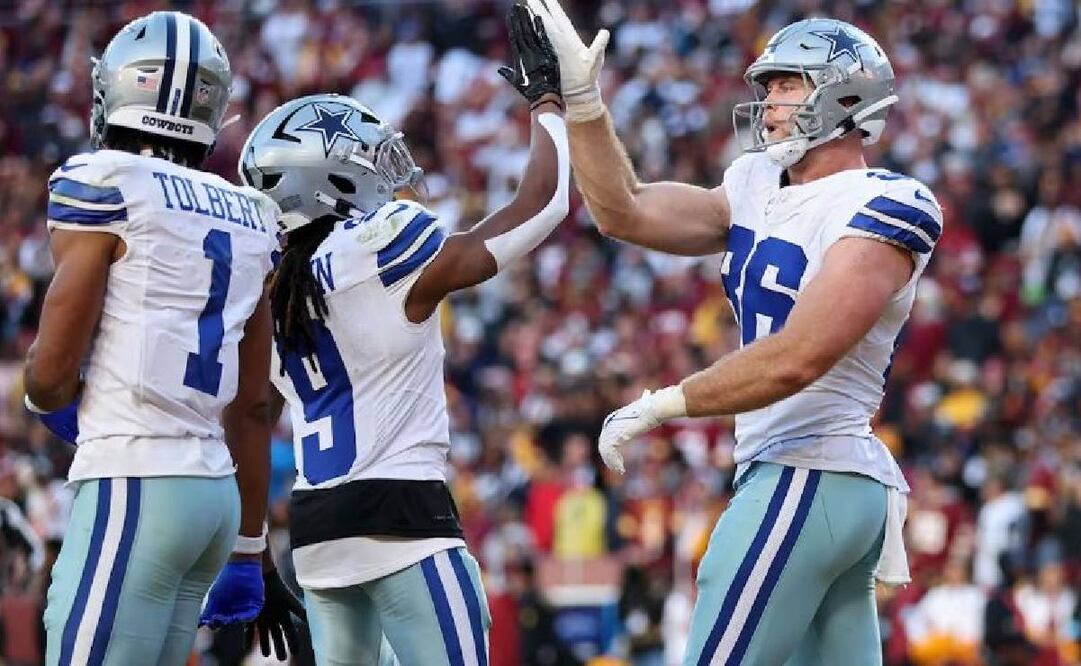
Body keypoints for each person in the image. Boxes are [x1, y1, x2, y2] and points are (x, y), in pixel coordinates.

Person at [528, 3, 943, 664]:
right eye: (767, 87)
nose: (768, 101)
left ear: (844, 93)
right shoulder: (754, 183)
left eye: (786, 85)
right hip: (800, 477)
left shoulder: (885, 201)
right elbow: (623, 209)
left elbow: (798, 355)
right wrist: (582, 103)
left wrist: (662, 404)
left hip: (809, 469)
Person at [238, 3, 569, 664]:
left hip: (317, 529)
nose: (391, 173)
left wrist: (252, 552)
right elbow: (545, 202)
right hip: (403, 515)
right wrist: (550, 104)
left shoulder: (269, 288)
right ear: (330, 178)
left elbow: (250, 413)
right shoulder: (382, 249)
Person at [22, 11, 292, 664]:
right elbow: (254, 406)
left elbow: (50, 370)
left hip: (134, 480)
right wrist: (251, 549)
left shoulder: (106, 180)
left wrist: (49, 402)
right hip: (214, 500)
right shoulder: (255, 215)